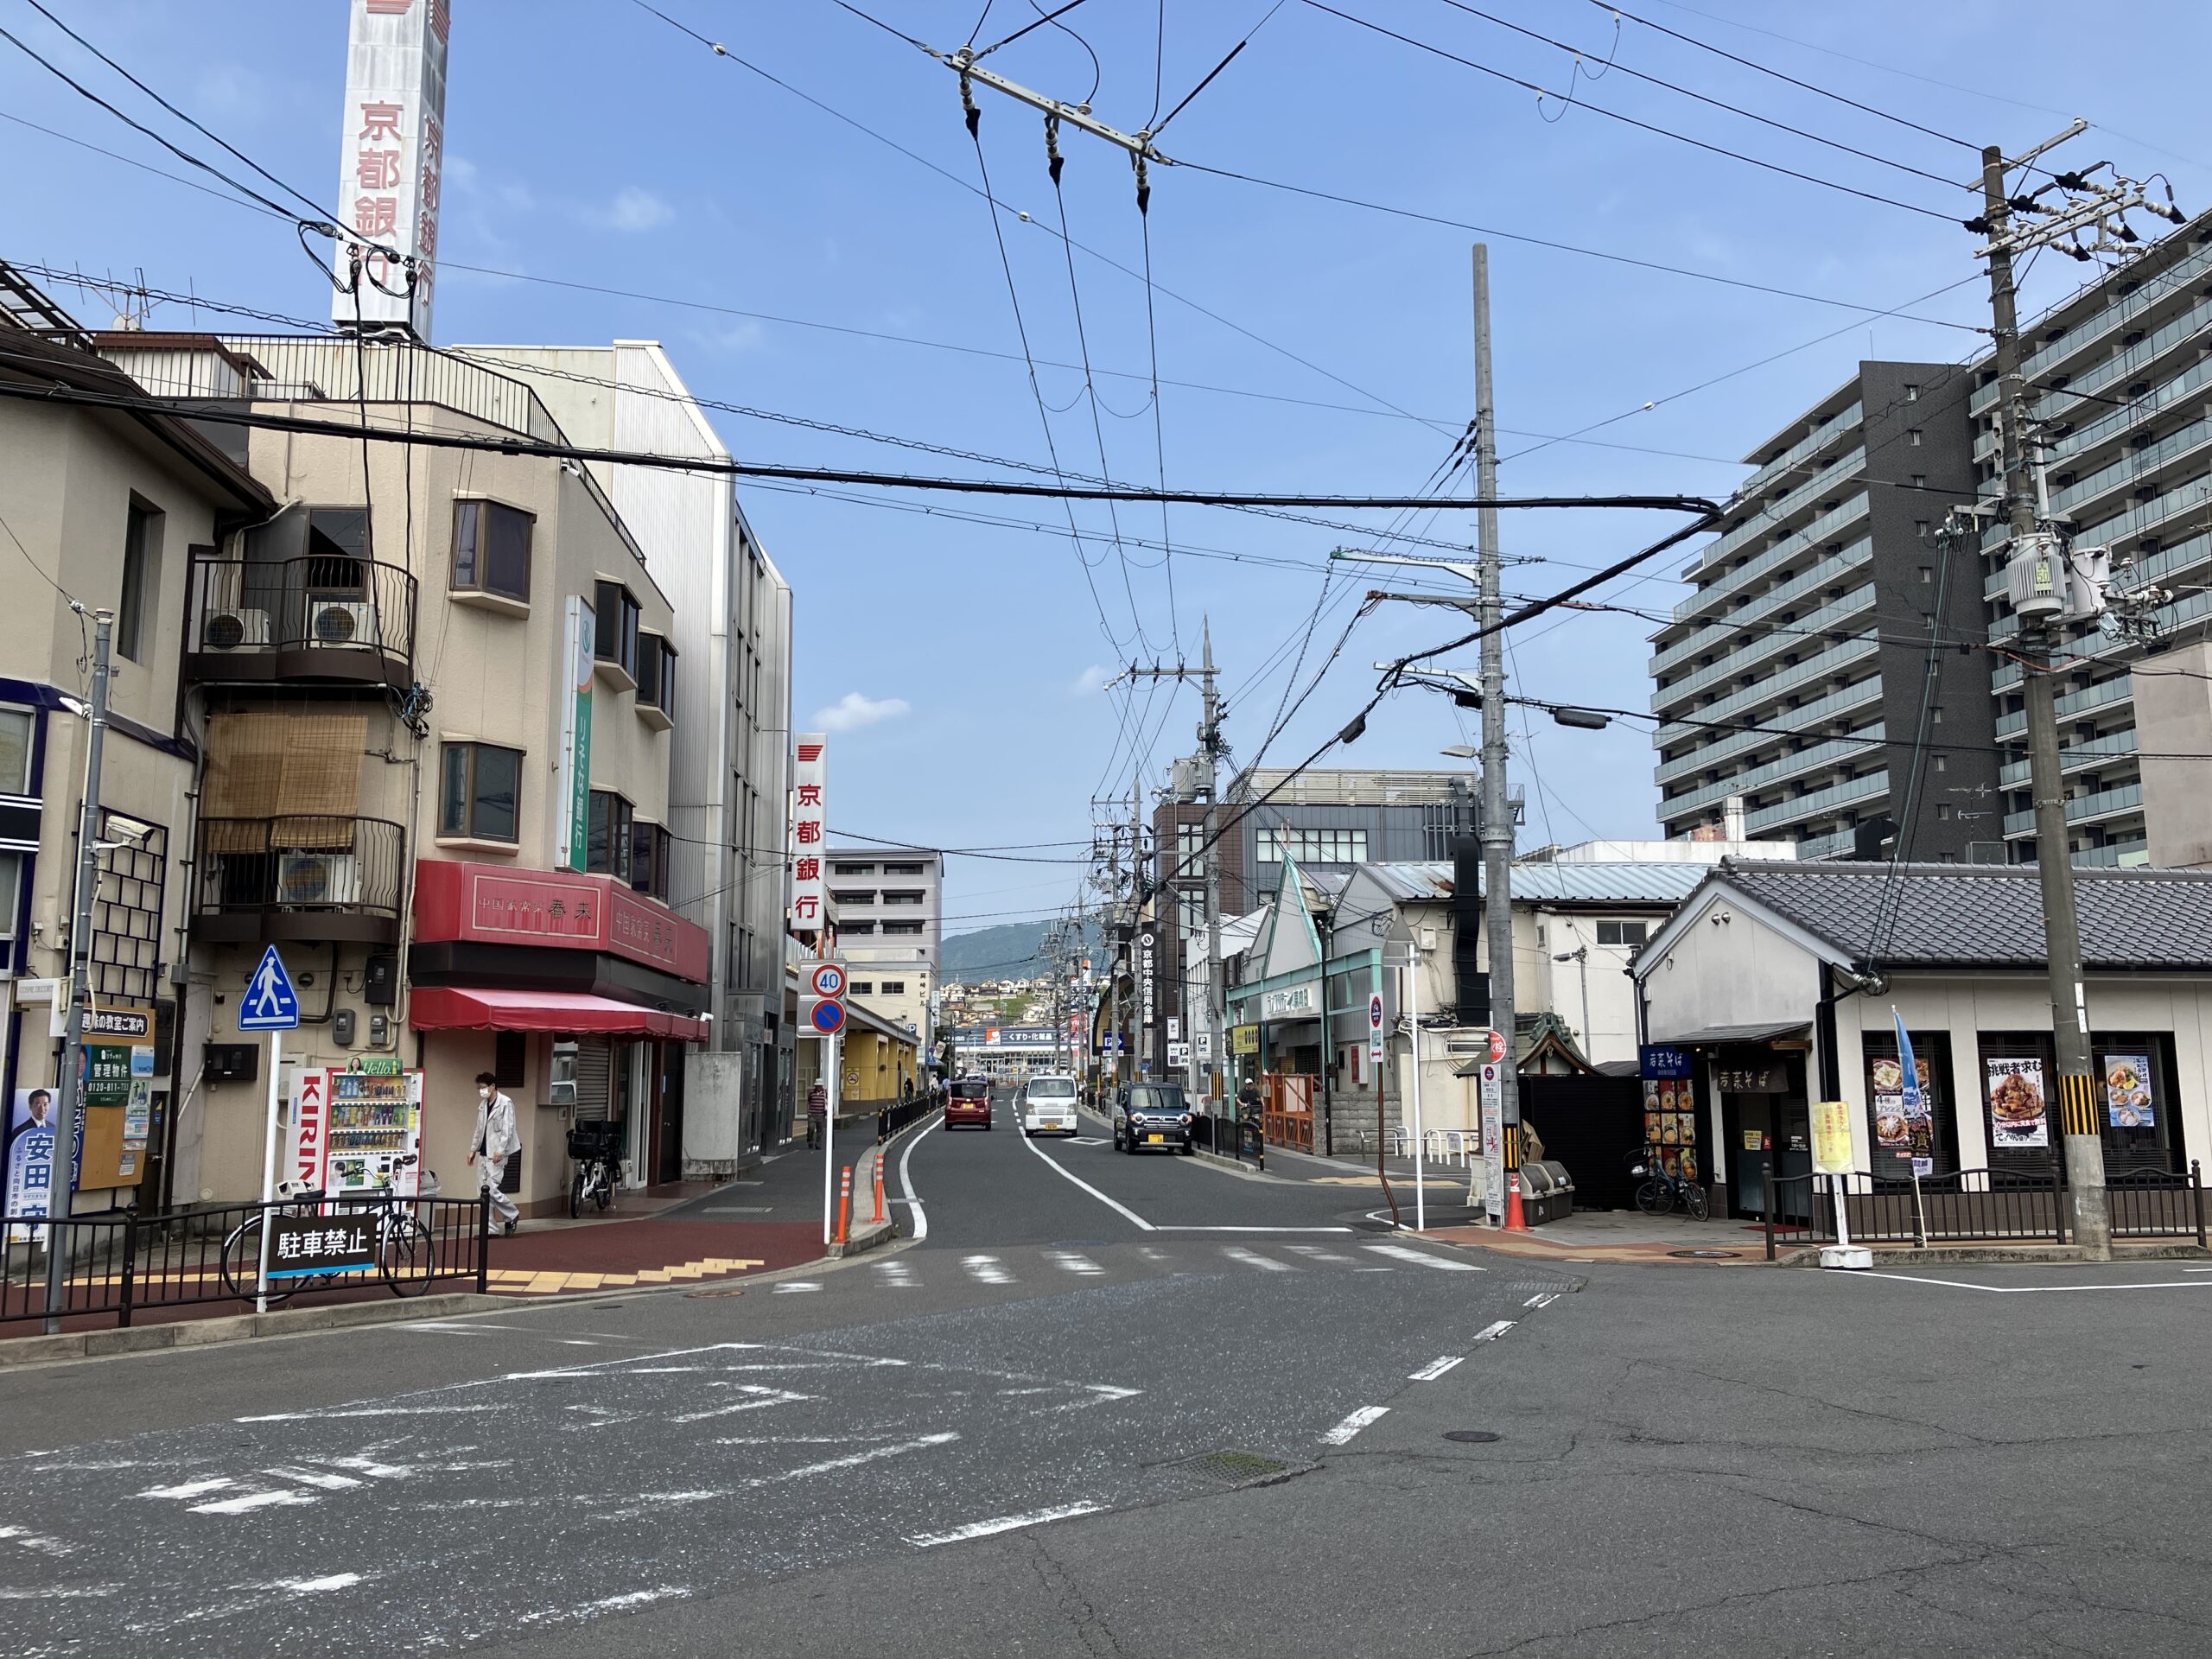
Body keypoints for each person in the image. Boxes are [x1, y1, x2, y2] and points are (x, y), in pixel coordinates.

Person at [465, 1071, 520, 1235]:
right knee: (482, 1190)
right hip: (484, 1151)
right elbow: (479, 1129)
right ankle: (489, 1229)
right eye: (479, 1088)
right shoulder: (483, 1105)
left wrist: (500, 1150)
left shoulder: (505, 1103)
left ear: (492, 1086)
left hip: (497, 1153)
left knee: (491, 1188)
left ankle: (512, 1214)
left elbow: (508, 1129)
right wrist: (472, 1150)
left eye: (483, 1087)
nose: (481, 1091)